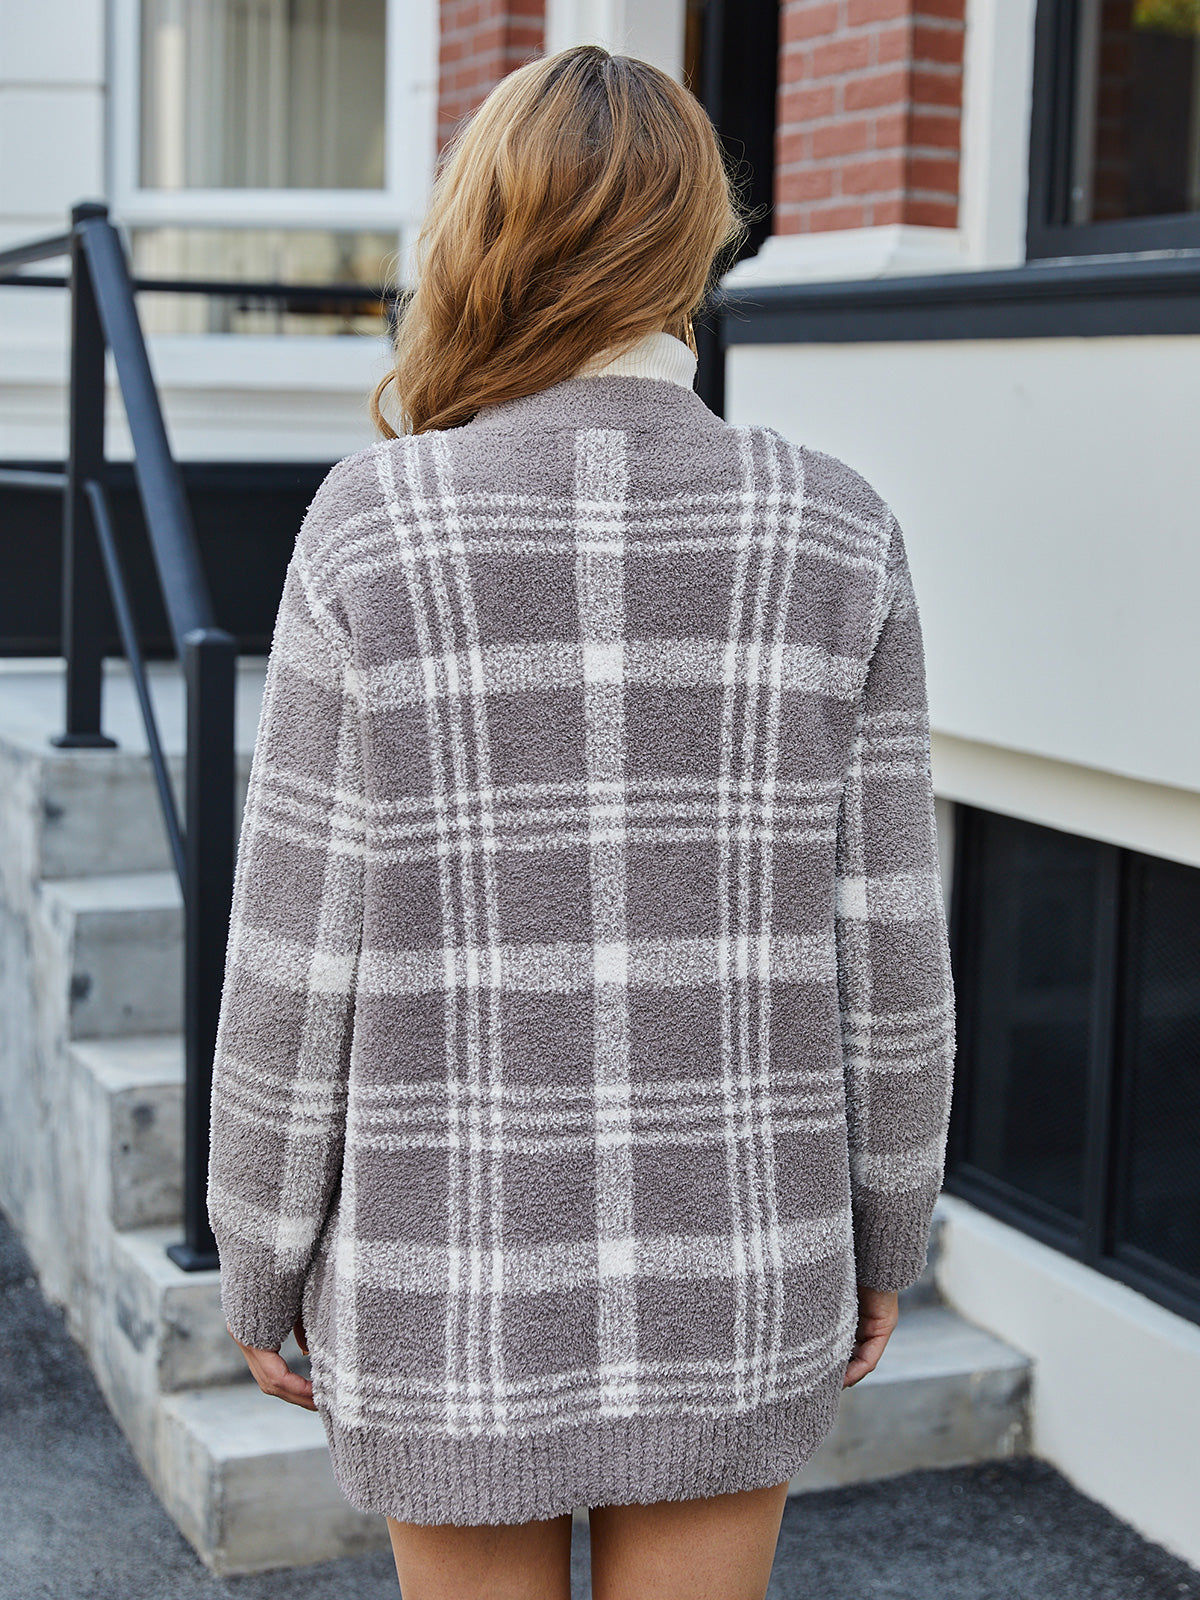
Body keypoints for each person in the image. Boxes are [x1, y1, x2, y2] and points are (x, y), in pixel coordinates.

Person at [206, 43, 955, 1600]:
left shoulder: (376, 521)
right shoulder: (838, 526)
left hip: (444, 1269)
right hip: (742, 1251)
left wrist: (259, 1252)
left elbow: (295, 949)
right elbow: (892, 953)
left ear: (484, 231)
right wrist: (889, 1233)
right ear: (698, 242)